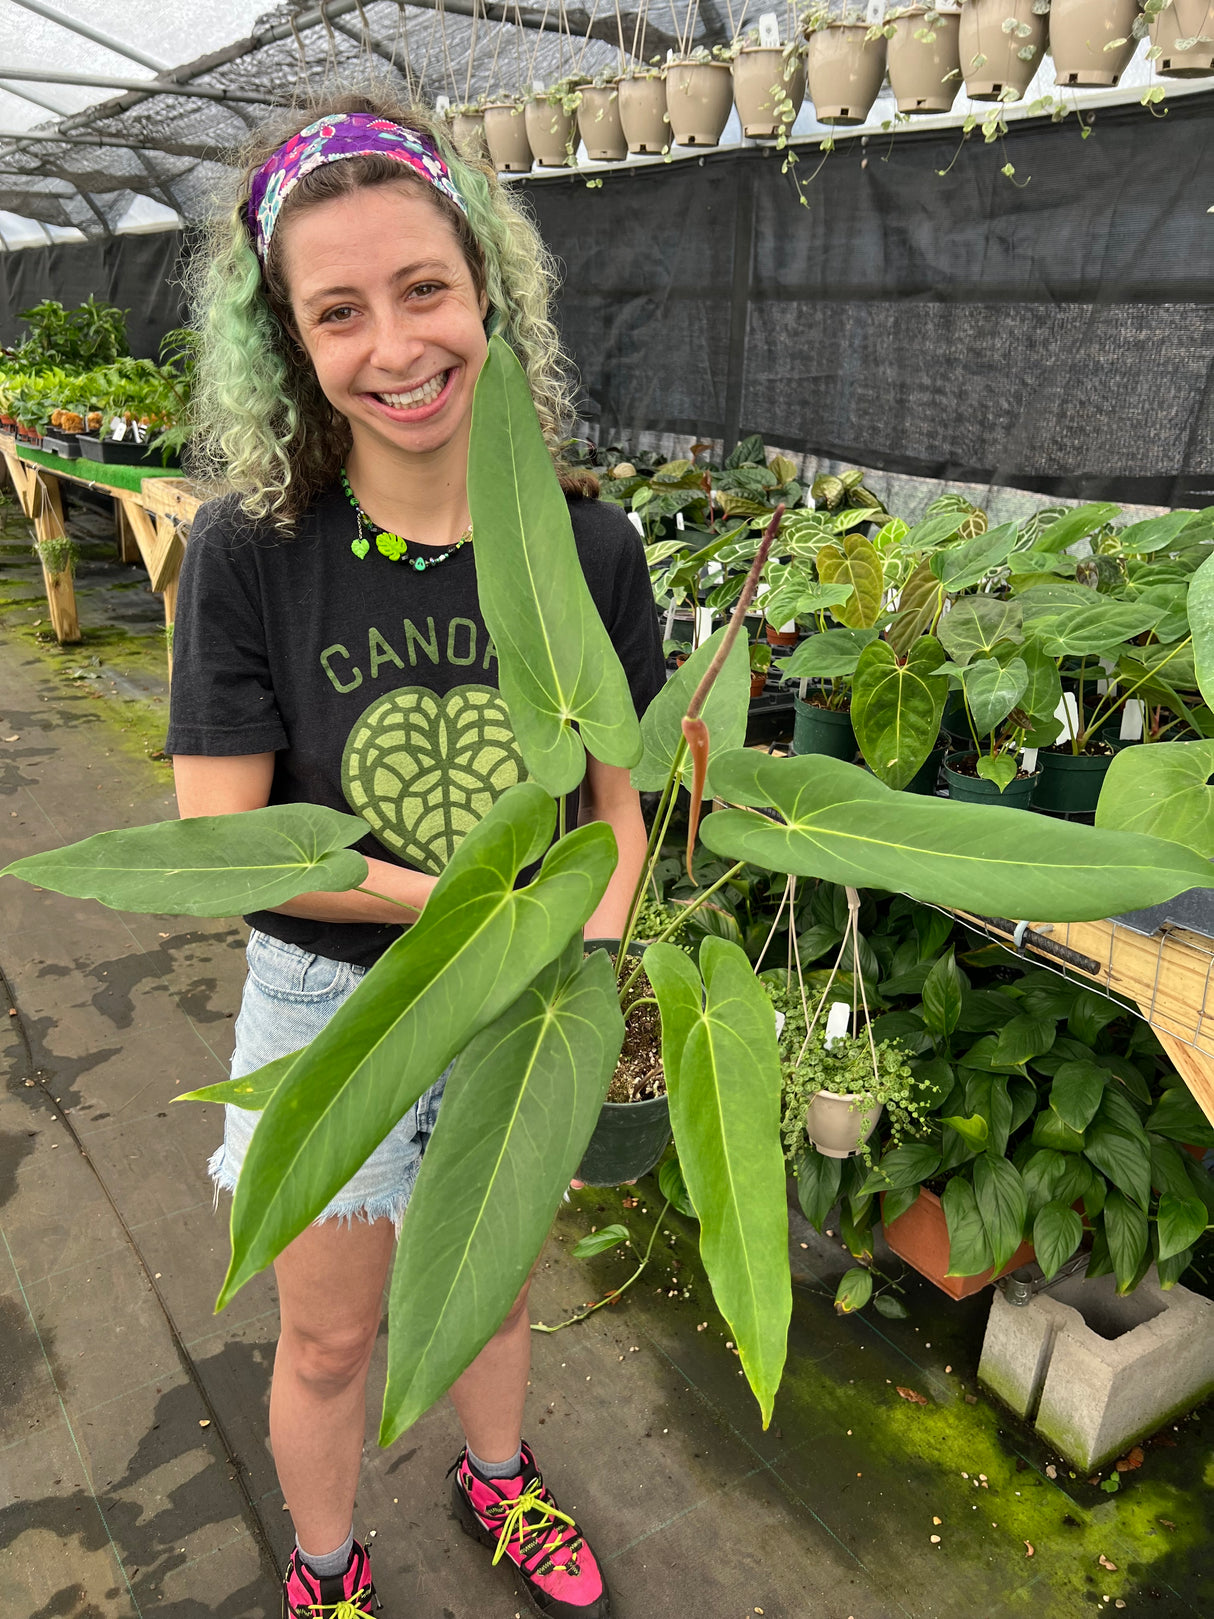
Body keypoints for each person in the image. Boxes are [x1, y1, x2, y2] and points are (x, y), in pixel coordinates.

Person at [165, 93, 663, 1619]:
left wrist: (599, 950)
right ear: (290, 344)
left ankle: (495, 1478)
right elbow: (222, 842)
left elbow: (619, 803)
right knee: (324, 1336)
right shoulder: (255, 549)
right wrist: (456, 907)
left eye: (424, 289)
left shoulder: (584, 546)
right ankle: (324, 1569)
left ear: (486, 291)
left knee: (488, 1281)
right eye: (339, 311)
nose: (395, 346)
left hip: (524, 1004)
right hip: (336, 1006)